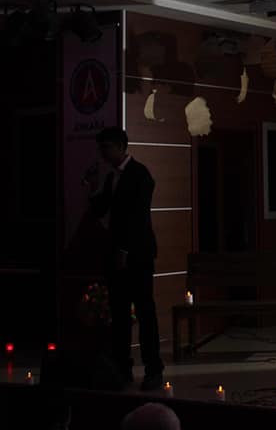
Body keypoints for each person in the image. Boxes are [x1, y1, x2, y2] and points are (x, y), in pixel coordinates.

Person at [85, 127, 164, 390]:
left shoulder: (140, 174)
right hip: (116, 255)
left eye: (106, 147)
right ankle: (121, 367)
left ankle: (153, 369)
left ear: (120, 146)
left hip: (138, 256)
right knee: (119, 313)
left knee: (144, 311)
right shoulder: (111, 177)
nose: (103, 153)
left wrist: (125, 250)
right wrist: (91, 189)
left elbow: (138, 217)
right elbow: (101, 210)